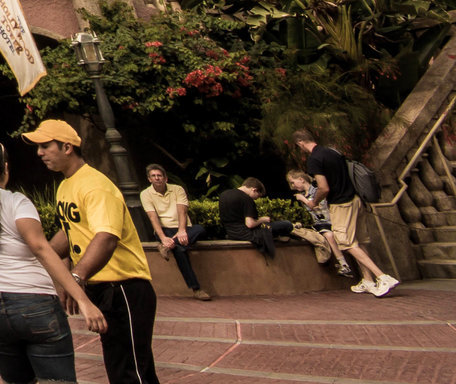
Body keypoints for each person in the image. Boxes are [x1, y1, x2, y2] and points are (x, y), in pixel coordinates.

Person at [0, 140, 106, 384]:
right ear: (5, 168)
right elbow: (42, 249)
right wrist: (83, 301)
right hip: (34, 300)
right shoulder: (17, 203)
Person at [29, 119, 157, 384]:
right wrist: (41, 256)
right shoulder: (66, 185)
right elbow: (71, 231)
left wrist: (75, 278)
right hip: (101, 288)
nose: (39, 153)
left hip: (124, 287)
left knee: (133, 371)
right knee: (121, 368)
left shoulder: (96, 185)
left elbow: (106, 237)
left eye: (45, 146)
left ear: (67, 147)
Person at [294, 129, 398, 296]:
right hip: (355, 199)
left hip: (341, 204)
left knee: (346, 243)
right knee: (359, 242)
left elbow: (323, 187)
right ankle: (368, 279)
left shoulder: (314, 159)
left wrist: (314, 202)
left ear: (300, 143)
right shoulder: (333, 152)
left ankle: (383, 277)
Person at [138, 166, 210, 301]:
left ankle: (166, 247)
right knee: (180, 250)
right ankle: (196, 289)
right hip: (164, 229)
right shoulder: (145, 194)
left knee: (200, 230)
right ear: (149, 179)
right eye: (153, 176)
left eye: (159, 175)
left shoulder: (177, 189)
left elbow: (182, 211)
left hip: (182, 227)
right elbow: (153, 218)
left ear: (165, 178)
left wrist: (181, 231)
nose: (157, 178)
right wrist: (163, 238)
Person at [285, 171, 354, 276]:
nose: (292, 186)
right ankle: (343, 264)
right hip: (318, 224)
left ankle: (344, 264)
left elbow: (318, 207)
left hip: (328, 220)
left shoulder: (316, 192)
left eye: (293, 182)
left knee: (333, 235)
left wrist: (304, 200)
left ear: (301, 179)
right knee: (327, 235)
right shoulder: (302, 195)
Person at [218, 179, 295, 261]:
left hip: (231, 233)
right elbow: (250, 224)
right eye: (258, 196)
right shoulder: (246, 199)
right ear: (254, 190)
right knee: (287, 224)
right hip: (248, 233)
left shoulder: (223, 195)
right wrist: (262, 219)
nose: (257, 199)